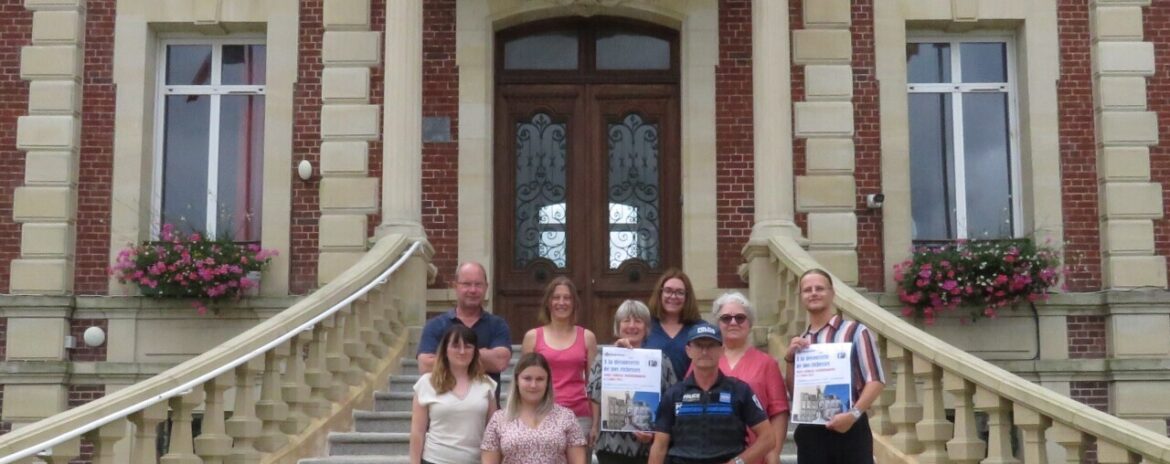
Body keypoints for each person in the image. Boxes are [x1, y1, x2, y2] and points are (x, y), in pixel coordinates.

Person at [785, 268, 886, 464]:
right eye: (807, 290)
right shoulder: (801, 341)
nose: (813, 293)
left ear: (832, 294)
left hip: (850, 427)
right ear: (801, 297)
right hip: (811, 431)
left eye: (820, 288)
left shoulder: (855, 331)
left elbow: (875, 379)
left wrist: (853, 415)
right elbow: (795, 393)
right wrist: (789, 360)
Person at [649, 323, 775, 464]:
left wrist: (737, 462)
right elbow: (659, 447)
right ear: (688, 350)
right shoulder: (673, 394)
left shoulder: (740, 390)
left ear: (722, 350)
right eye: (699, 345)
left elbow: (768, 438)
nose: (704, 351)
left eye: (711, 345)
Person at [586, 299, 679, 464]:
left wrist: (655, 432)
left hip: (649, 447)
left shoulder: (661, 360)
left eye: (638, 321)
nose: (632, 325)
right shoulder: (604, 357)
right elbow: (594, 394)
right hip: (611, 445)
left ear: (646, 327)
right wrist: (617, 356)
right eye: (626, 320)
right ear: (618, 326)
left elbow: (671, 400)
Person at [712, 292, 790, 464]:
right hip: (712, 453)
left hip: (755, 454)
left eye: (740, 318)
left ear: (750, 323)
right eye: (726, 318)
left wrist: (773, 452)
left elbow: (778, 412)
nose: (733, 322)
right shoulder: (705, 360)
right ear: (718, 324)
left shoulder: (766, 363)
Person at [521, 277, 598, 448]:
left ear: (574, 303)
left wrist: (595, 423)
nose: (561, 302)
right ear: (548, 302)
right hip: (542, 414)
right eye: (556, 297)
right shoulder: (532, 337)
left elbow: (593, 384)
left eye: (567, 298)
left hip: (579, 416)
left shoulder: (587, 337)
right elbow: (523, 382)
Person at [409, 325, 499, 464]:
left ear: (475, 351)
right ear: (445, 350)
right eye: (456, 346)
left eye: (468, 346)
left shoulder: (487, 385)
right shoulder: (427, 383)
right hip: (435, 460)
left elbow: (493, 432)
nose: (462, 351)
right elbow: (417, 432)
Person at [417, 262, 512, 392]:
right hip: (443, 401)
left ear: (486, 287)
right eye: (466, 284)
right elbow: (425, 365)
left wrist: (447, 357)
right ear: (455, 286)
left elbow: (499, 362)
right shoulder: (435, 325)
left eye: (478, 284)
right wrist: (483, 356)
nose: (473, 290)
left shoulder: (497, 325)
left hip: (486, 403)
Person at [481, 353, 588, 464]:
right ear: (517, 380)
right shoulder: (499, 419)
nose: (533, 385)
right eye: (527, 378)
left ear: (547, 382)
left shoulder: (565, 417)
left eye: (540, 379)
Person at [618, 268, 702, 375]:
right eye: (668, 291)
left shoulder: (699, 328)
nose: (673, 296)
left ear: (687, 296)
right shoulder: (645, 324)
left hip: (689, 385)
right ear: (660, 293)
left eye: (680, 292)